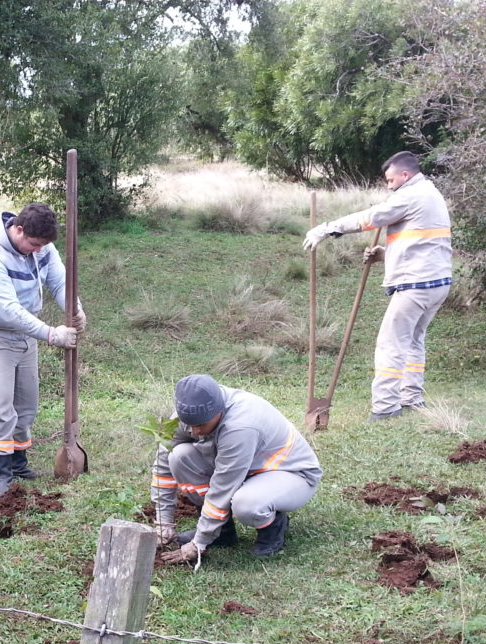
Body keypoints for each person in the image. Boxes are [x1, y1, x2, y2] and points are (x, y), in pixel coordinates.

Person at [303, 150, 452, 420]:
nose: (388, 185)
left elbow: (371, 218)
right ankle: (411, 398)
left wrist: (326, 229)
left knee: (390, 345)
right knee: (414, 340)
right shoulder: (430, 192)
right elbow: (423, 239)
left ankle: (385, 408)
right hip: (436, 282)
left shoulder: (411, 195)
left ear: (405, 175)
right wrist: (385, 254)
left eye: (390, 180)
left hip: (416, 284)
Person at [0, 202, 85, 499]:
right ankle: (2, 475)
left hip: (25, 337)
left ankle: (20, 464)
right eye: (33, 244)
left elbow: (59, 281)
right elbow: (8, 311)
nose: (38, 251)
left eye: (42, 246)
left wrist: (75, 309)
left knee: (26, 404)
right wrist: (51, 334)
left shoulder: (42, 246)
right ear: (18, 229)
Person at [153, 375, 322, 565]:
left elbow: (223, 487)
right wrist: (163, 524)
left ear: (218, 411)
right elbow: (163, 467)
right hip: (245, 470)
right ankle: (223, 532)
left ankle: (273, 528)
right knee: (178, 457)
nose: (194, 432)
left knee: (246, 504)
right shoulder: (190, 411)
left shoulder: (240, 427)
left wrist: (199, 543)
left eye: (201, 425)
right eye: (189, 425)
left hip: (288, 473)